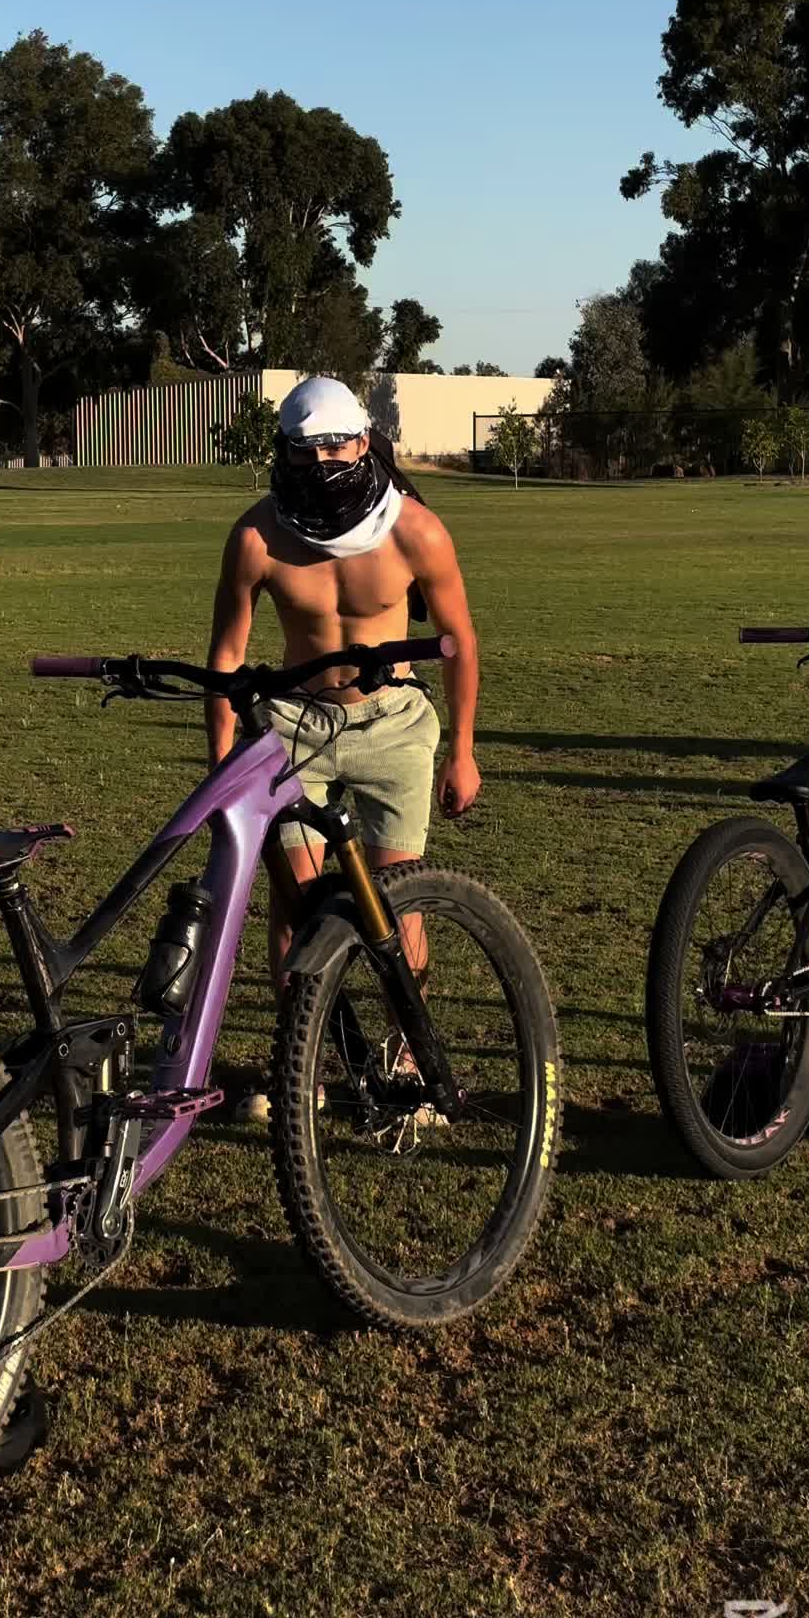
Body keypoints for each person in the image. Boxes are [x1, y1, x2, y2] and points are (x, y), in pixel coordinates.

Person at [205, 375, 481, 1120]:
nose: (325, 461)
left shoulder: (415, 531)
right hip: (295, 726)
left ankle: (410, 1064)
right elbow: (227, 656)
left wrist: (463, 750)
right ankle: (300, 1069)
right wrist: (222, 763)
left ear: (365, 442)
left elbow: (458, 642)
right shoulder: (258, 537)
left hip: (394, 725)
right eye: (308, 449)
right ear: (284, 451)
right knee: (294, 905)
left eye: (338, 446)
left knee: (398, 903)